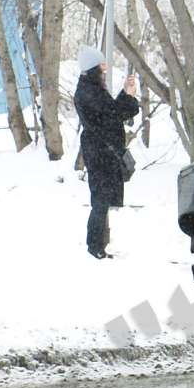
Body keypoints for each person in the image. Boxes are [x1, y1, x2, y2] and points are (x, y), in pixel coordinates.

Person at [74, 45, 141, 259]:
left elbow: (111, 111)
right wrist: (128, 96)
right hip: (100, 151)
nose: (104, 71)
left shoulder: (90, 89)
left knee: (101, 200)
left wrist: (125, 93)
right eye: (101, 67)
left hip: (100, 150)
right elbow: (113, 114)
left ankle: (98, 245)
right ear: (93, 68)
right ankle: (95, 246)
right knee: (100, 201)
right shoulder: (89, 91)